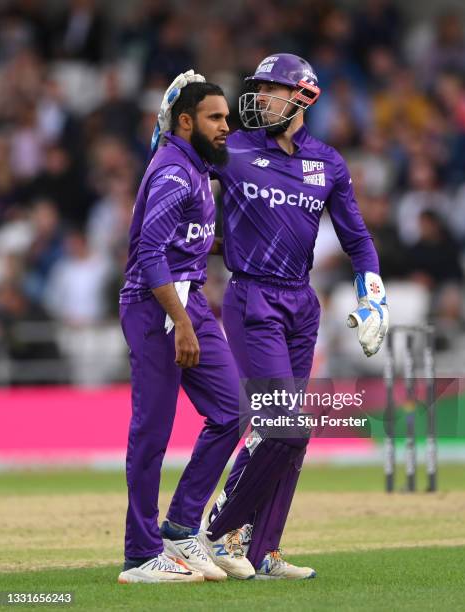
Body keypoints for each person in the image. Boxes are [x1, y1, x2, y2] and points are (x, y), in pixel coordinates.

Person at [157, 55, 388, 579]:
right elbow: (172, 167)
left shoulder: (327, 162)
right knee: (287, 428)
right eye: (257, 89)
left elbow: (357, 239)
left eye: (272, 90)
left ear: (302, 98)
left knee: (283, 439)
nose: (259, 99)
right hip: (251, 299)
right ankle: (216, 529)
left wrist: (373, 295)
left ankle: (263, 552)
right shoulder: (232, 146)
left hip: (301, 304)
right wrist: (166, 122)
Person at [117, 76, 255, 584]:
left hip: (189, 298)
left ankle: (178, 526)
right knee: (152, 431)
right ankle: (139, 555)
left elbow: (182, 240)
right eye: (216, 118)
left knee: (232, 409)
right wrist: (179, 321)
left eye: (227, 118)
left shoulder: (195, 167)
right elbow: (148, 255)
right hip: (157, 307)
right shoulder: (175, 173)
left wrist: (221, 248)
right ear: (185, 121)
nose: (226, 127)